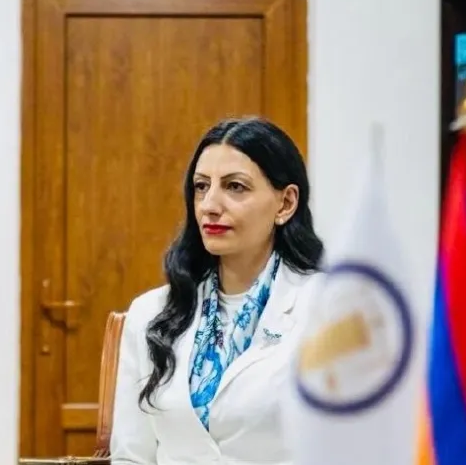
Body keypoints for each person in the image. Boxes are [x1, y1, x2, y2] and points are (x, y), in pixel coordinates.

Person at [110, 117, 325, 464]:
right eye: (201, 186)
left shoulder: (326, 307)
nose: (209, 204)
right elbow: (131, 456)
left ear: (285, 203)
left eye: (235, 186)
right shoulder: (151, 313)